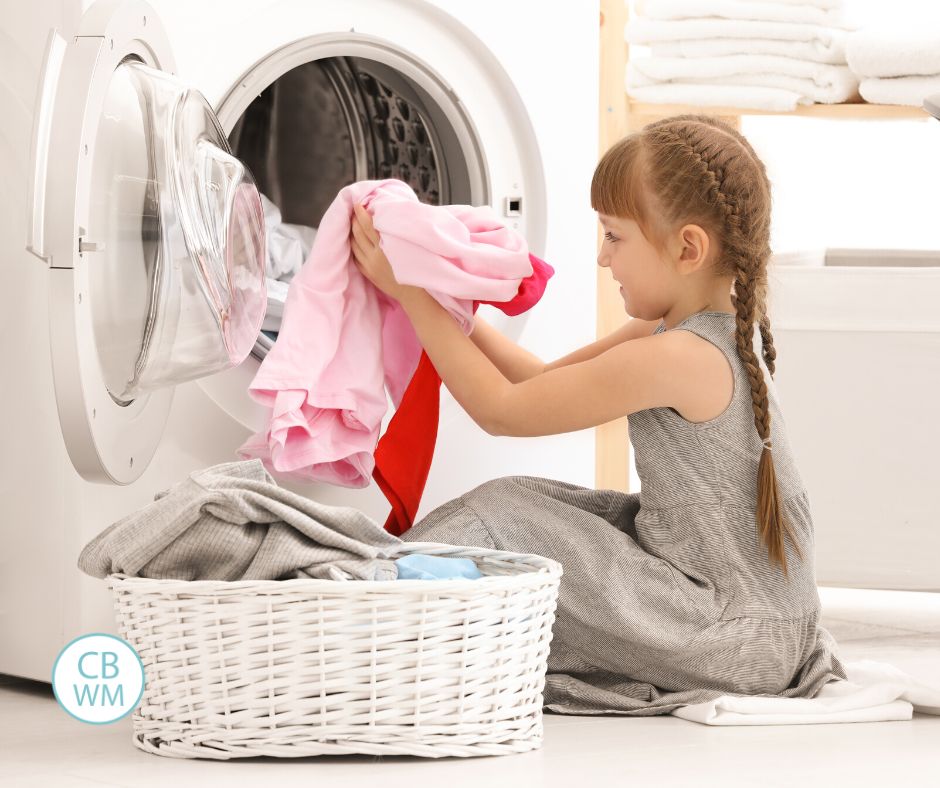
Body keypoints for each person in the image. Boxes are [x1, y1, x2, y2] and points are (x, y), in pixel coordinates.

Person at [348, 113, 848, 716]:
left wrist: (411, 294)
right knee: (521, 501)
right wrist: (451, 306)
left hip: (728, 634)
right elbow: (540, 381)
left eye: (615, 237)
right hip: (758, 621)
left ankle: (357, 605)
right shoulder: (685, 333)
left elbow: (502, 411)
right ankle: (384, 592)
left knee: (498, 517)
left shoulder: (681, 356)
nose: (602, 257)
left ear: (687, 248)